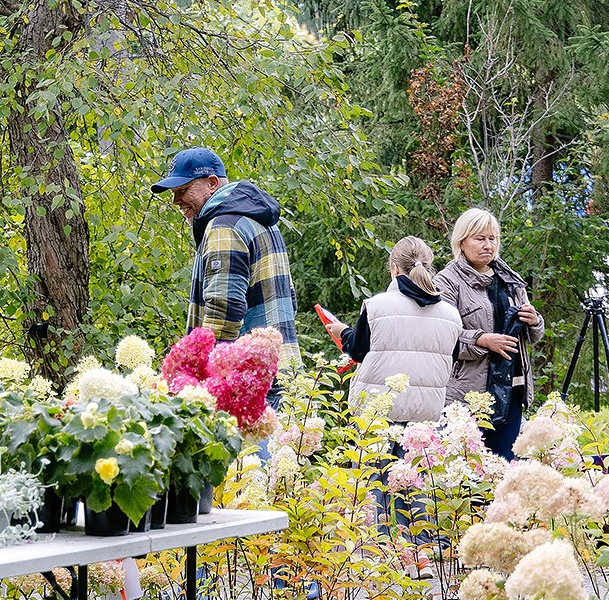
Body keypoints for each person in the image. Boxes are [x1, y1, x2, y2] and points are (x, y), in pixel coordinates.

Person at [152, 147, 300, 393]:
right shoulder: (259, 221)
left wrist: (198, 378)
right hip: (281, 369)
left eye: (182, 191)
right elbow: (290, 300)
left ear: (212, 183)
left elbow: (224, 310)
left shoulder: (224, 227)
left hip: (245, 381)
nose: (176, 201)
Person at [322, 236, 462, 422]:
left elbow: (358, 351)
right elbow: (451, 360)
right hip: (426, 416)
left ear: (394, 268)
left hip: (377, 413)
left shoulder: (377, 307)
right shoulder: (451, 315)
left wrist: (344, 333)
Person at [437, 207, 541, 457]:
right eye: (480, 238)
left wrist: (534, 320)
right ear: (461, 242)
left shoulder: (510, 280)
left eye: (492, 238)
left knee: (503, 465)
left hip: (513, 388)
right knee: (465, 469)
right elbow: (443, 337)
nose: (488, 245)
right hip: (468, 394)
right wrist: (482, 340)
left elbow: (534, 335)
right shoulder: (446, 281)